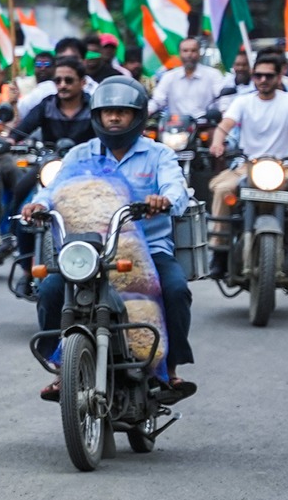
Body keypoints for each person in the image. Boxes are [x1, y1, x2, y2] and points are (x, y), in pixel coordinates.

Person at [20, 76, 195, 403]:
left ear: (137, 116)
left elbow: (177, 191)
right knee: (50, 290)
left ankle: (169, 370)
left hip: (149, 252)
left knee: (175, 290)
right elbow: (52, 189)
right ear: (97, 116)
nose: (113, 118)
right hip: (88, 252)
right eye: (107, 112)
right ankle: (60, 367)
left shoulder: (158, 155)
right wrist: (38, 205)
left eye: (122, 112)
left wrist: (164, 200)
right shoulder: (79, 155)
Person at [208, 50, 288, 279]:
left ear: (279, 77)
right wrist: (217, 143)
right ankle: (219, 253)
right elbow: (225, 125)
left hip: (285, 167)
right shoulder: (242, 101)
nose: (263, 80)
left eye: (269, 76)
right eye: (258, 75)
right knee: (222, 189)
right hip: (247, 165)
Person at [7, 58, 97, 293]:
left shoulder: (94, 107)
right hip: (50, 167)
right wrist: (9, 140)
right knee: (23, 198)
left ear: (82, 82)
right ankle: (23, 264)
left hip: (87, 171)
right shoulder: (46, 105)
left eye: (69, 80)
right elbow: (22, 129)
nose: (63, 85)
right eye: (58, 80)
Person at [150, 37, 226, 128]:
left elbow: (223, 99)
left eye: (193, 50)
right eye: (185, 51)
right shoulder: (169, 77)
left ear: (199, 53)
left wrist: (224, 113)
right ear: (179, 53)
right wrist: (147, 112)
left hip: (204, 126)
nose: (189, 54)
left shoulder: (213, 75)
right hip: (175, 127)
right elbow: (157, 101)